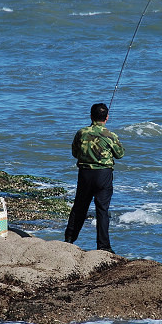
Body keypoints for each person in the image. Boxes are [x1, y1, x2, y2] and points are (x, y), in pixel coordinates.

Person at [64, 103, 125, 253]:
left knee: (79, 208)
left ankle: (69, 240)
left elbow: (75, 153)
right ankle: (103, 247)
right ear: (107, 118)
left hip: (85, 174)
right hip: (103, 175)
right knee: (102, 211)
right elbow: (120, 154)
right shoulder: (110, 135)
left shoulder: (81, 133)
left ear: (91, 116)